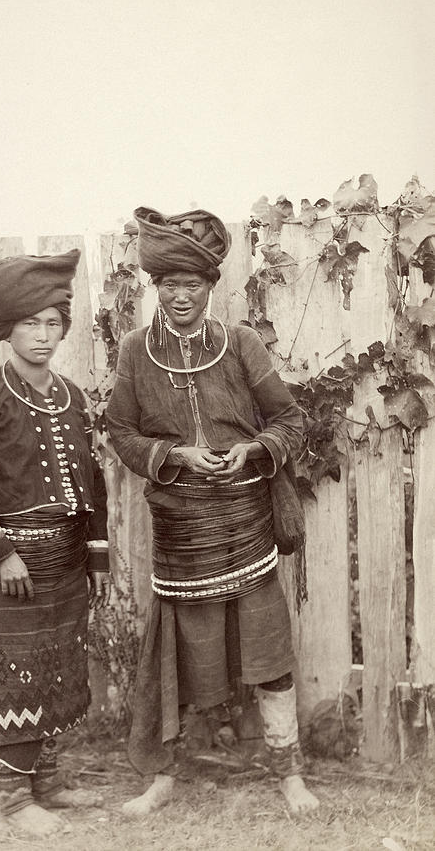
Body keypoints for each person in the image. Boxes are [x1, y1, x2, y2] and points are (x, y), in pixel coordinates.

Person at [105, 207, 319, 818]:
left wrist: (255, 449)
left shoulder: (241, 343)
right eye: (168, 284)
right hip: (180, 532)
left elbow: (291, 420)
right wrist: (176, 454)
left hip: (246, 527)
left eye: (191, 285)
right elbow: (120, 432)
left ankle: (289, 772)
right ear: (155, 286)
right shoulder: (134, 352)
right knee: (173, 658)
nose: (179, 296)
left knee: (269, 654)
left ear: (210, 287)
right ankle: (162, 778)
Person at [0, 249, 112, 837]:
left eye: (53, 322)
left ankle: (49, 780)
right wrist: (0, 553)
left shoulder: (74, 397)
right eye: (30, 323)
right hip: (10, 562)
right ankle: (12, 793)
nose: (42, 334)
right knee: (15, 674)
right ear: (6, 328)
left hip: (64, 559)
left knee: (59, 666)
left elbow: (95, 481)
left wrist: (96, 555)